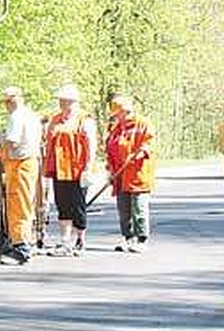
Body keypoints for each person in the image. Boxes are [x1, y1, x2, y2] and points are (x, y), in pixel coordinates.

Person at [42, 83, 97, 257]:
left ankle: (80, 239)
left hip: (78, 170)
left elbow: (91, 145)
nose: (61, 104)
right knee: (62, 204)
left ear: (73, 102)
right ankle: (65, 241)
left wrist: (88, 168)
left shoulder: (85, 120)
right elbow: (47, 141)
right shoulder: (55, 120)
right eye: (60, 101)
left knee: (78, 205)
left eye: (64, 101)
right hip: (59, 169)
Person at [0, 86, 42, 265]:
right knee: (26, 204)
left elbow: (12, 142)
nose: (7, 105)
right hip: (28, 163)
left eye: (8, 101)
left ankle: (21, 247)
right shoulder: (31, 115)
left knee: (17, 204)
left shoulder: (16, 117)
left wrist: (0, 138)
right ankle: (23, 241)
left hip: (19, 164)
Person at [104, 94, 155, 253]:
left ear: (125, 111)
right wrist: (110, 170)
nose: (116, 117)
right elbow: (109, 150)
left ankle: (141, 239)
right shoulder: (116, 129)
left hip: (137, 175)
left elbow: (149, 142)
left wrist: (141, 152)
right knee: (123, 209)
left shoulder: (143, 124)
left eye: (118, 114)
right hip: (119, 175)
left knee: (138, 208)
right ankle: (127, 238)